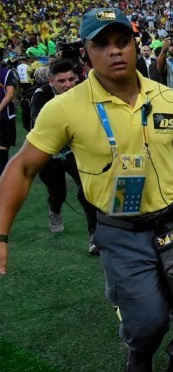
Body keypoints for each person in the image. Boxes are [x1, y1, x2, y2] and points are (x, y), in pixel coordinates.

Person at [0, 7, 173, 372]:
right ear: (85, 54)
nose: (115, 51)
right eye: (102, 44)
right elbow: (23, 167)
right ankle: (139, 349)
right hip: (120, 230)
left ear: (135, 45)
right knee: (147, 320)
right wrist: (1, 234)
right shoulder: (64, 108)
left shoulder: (168, 99)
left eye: (122, 41)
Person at [29, 59, 99, 252]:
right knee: (57, 192)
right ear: (51, 81)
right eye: (61, 81)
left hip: (74, 150)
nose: (67, 85)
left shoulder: (82, 93)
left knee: (87, 189)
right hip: (48, 152)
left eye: (71, 79)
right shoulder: (41, 94)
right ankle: (55, 209)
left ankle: (95, 236)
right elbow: (38, 121)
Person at [0, 59, 16, 174]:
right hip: (4, 116)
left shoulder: (6, 73)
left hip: (4, 117)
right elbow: (10, 94)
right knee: (2, 150)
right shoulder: (7, 72)